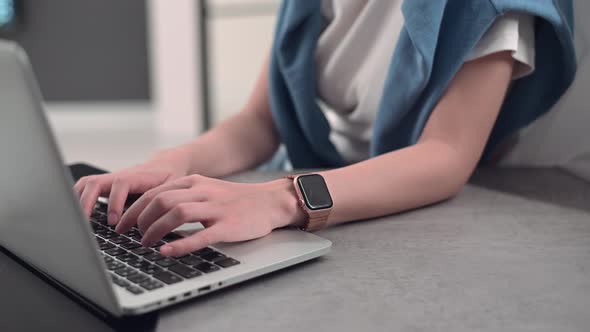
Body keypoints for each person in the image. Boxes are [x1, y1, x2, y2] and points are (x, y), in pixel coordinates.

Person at [75, 0, 577, 257]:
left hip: (433, 214)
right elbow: (258, 122)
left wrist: (280, 200)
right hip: (331, 184)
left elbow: (446, 155)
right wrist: (171, 163)